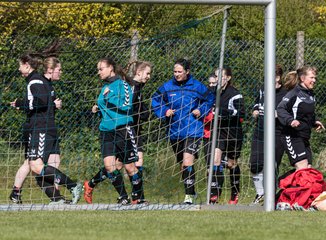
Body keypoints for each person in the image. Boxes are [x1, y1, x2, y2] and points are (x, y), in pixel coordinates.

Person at [9, 53, 82, 204]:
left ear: (27, 66)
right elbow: (44, 102)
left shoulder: (35, 81)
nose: (18, 69)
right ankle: (57, 199)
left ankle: (73, 185)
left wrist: (20, 104)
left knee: (35, 166)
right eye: (59, 69)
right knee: (44, 168)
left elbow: (40, 102)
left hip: (40, 128)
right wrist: (53, 105)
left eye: (20, 65)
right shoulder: (43, 82)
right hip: (47, 127)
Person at [83, 60, 152, 204]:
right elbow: (105, 107)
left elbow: (127, 106)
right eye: (98, 69)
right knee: (110, 166)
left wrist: (108, 100)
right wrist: (98, 109)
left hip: (123, 130)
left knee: (130, 167)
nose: (99, 72)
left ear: (111, 68)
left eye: (101, 69)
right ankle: (123, 197)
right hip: (106, 131)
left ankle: (137, 197)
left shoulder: (123, 85)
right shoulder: (105, 87)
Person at [151, 58, 215, 205]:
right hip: (175, 131)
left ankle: (188, 197)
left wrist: (201, 110)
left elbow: (209, 99)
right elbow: (155, 100)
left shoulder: (197, 86)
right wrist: (165, 110)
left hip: (193, 130)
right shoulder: (167, 87)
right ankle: (191, 190)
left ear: (187, 72)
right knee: (182, 165)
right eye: (175, 71)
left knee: (187, 162)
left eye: (180, 72)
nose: (177, 74)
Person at [249, 64, 287, 205]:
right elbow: (257, 103)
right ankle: (260, 193)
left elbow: (289, 112)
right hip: (260, 130)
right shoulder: (263, 88)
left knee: (272, 165)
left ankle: (271, 196)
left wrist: (279, 114)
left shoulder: (285, 93)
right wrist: (255, 110)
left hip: (277, 132)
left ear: (277, 77)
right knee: (255, 164)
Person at [277, 66, 325, 170]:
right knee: (303, 168)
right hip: (292, 136)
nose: (314, 80)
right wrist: (290, 120)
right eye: (311, 78)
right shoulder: (294, 93)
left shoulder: (311, 95)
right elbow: (280, 109)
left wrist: (314, 122)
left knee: (308, 169)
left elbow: (305, 114)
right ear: (303, 78)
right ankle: (283, 183)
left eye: (315, 78)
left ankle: (284, 183)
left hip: (304, 137)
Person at [209, 67, 245, 205]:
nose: (218, 79)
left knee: (231, 164)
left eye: (221, 76)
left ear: (228, 78)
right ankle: (214, 195)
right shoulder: (212, 93)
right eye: (216, 76)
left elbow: (241, 113)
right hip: (219, 131)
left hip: (234, 132)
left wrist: (221, 112)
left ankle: (235, 192)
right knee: (216, 159)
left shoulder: (235, 94)